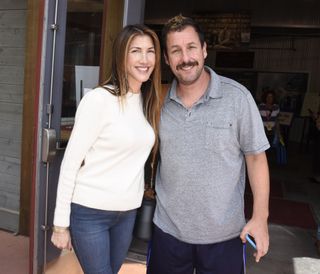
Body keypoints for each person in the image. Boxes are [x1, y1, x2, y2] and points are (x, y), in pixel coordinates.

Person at [147, 15, 270, 274]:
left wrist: (260, 218)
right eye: (176, 51)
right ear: (167, 60)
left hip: (224, 237)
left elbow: (256, 159)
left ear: (204, 50)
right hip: (168, 233)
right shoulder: (157, 103)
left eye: (191, 47)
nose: (186, 58)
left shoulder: (237, 98)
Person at [51, 24, 162, 274]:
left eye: (150, 51)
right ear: (122, 55)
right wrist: (60, 224)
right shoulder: (99, 100)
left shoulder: (147, 102)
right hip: (90, 212)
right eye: (136, 51)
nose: (144, 59)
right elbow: (70, 163)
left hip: (127, 213)